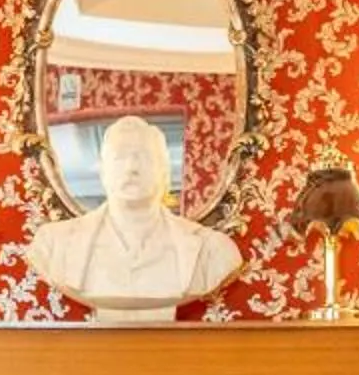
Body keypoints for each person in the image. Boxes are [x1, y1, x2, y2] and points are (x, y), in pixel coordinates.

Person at [22, 116, 242, 321]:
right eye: (120, 157)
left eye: (144, 157)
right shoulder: (54, 244)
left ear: (164, 172)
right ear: (103, 173)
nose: (131, 168)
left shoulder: (213, 250)